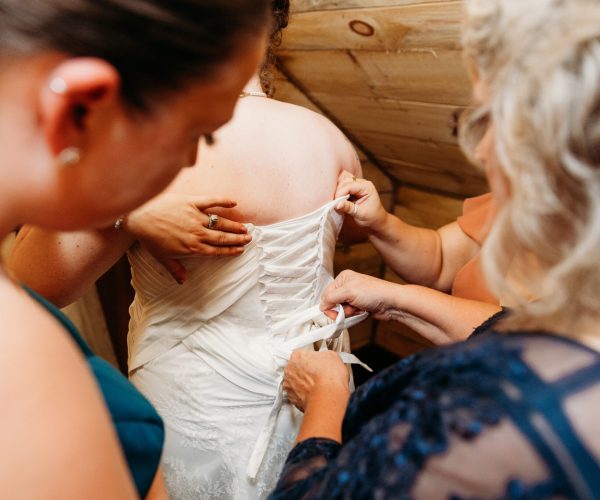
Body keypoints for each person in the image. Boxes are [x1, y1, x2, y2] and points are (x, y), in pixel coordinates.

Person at [8, 1, 367, 497]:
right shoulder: (331, 139)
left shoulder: (152, 145)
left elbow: (34, 284)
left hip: (197, 405)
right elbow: (353, 230)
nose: (195, 150)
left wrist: (121, 213)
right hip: (316, 399)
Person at [270, 0, 600, 497]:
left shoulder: (489, 410)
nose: (482, 148)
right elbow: (464, 278)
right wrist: (391, 282)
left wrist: (325, 401)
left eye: (491, 120)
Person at [331, 176, 501, 344]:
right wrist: (378, 222)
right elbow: (441, 258)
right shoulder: (510, 203)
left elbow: (514, 336)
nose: (480, 153)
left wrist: (393, 298)